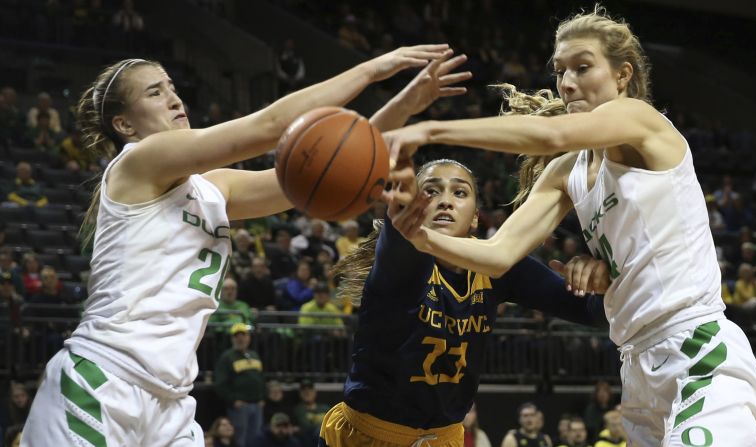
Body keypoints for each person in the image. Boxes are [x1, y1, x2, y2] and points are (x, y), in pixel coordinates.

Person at [21, 43, 467, 446]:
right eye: (154, 93)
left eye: (172, 87)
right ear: (124, 124)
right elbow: (272, 126)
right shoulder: (137, 163)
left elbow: (324, 167)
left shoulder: (215, 188)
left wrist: (404, 103)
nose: (175, 98)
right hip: (103, 380)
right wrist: (372, 69)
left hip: (171, 404)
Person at [384, 6, 756, 445]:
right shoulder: (568, 173)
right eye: (560, 70)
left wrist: (429, 129)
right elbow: (497, 255)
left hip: (697, 347)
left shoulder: (640, 120)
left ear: (622, 76)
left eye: (582, 67)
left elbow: (554, 135)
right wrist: (418, 235)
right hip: (637, 365)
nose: (566, 82)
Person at [320, 157, 609, 447]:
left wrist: (598, 276)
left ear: (474, 218)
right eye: (430, 191)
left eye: (459, 193)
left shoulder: (498, 267)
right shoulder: (395, 265)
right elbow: (401, 243)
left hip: (445, 439)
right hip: (367, 438)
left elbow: (594, 312)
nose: (445, 201)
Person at [213, 323, 266, 447]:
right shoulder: (227, 357)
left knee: (255, 439)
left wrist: (263, 397)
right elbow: (220, 384)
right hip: (240, 407)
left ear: (249, 337)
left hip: (257, 405)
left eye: (243, 335)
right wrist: (234, 400)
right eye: (237, 335)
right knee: (239, 439)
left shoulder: (254, 355)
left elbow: (261, 378)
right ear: (232, 339)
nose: (240, 338)